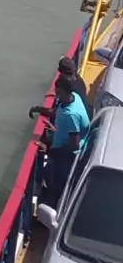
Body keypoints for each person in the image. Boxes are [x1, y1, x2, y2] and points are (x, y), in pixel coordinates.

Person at [30, 75, 90, 207]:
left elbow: (74, 145)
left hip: (66, 156)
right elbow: (56, 112)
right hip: (62, 141)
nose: (56, 95)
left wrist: (51, 151)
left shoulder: (71, 115)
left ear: (63, 91)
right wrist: (39, 109)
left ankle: (49, 210)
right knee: (50, 176)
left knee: (56, 186)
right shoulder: (74, 97)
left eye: (58, 92)